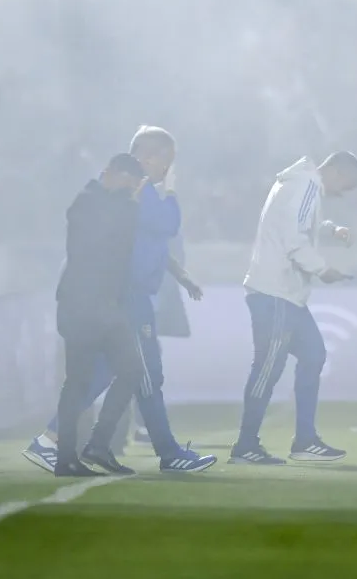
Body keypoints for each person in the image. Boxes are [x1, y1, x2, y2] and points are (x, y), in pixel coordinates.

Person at [23, 126, 216, 474]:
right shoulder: (140, 192)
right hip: (126, 296)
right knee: (145, 374)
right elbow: (167, 225)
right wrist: (170, 191)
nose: (167, 170)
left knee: (106, 372)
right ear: (148, 157)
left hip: (130, 293)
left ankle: (60, 439)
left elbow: (151, 241)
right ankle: (167, 452)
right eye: (166, 162)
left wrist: (180, 274)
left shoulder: (137, 193)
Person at [230, 152, 357, 465]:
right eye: (346, 186)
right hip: (276, 292)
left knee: (314, 354)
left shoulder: (296, 184)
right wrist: (322, 269)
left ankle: (304, 440)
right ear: (338, 172)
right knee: (268, 367)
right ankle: (246, 445)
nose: (341, 194)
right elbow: (294, 239)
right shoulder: (307, 186)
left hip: (286, 294)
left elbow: (298, 224)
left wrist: (329, 229)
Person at [54, 153, 150, 477]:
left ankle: (96, 445)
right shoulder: (86, 203)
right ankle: (66, 456)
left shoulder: (115, 205)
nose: (130, 190)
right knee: (78, 382)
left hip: (106, 306)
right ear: (110, 173)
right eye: (127, 182)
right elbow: (103, 246)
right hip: (82, 306)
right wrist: (130, 206)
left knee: (131, 371)